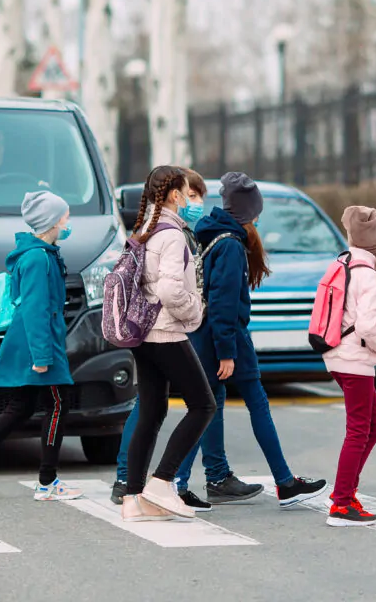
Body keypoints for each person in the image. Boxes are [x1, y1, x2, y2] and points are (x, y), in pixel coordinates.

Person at [178, 172, 327, 508]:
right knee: (254, 404)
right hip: (227, 340)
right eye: (256, 209)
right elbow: (224, 304)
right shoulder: (230, 245)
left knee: (204, 410)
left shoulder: (214, 234)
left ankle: (184, 480)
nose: (259, 216)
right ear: (246, 211)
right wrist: (228, 352)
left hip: (207, 338)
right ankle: (285, 482)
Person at [0, 190, 82, 503]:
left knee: (20, 408)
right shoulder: (37, 258)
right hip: (37, 344)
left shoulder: (41, 254)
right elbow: (35, 310)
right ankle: (47, 482)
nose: (68, 222)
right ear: (51, 221)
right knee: (58, 405)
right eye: (65, 217)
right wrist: (42, 356)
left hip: (33, 342)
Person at [121, 166, 216, 522]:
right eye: (190, 193)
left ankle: (133, 497)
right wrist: (197, 310)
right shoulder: (173, 235)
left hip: (142, 333)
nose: (195, 201)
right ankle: (161, 482)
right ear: (175, 195)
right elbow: (170, 289)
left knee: (152, 411)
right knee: (203, 406)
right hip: (165, 332)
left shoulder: (146, 227)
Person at [323, 205, 376, 527]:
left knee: (375, 425)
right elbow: (367, 326)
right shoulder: (368, 275)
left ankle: (346, 490)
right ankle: (341, 502)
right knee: (359, 429)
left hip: (337, 355)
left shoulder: (342, 263)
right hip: (355, 360)